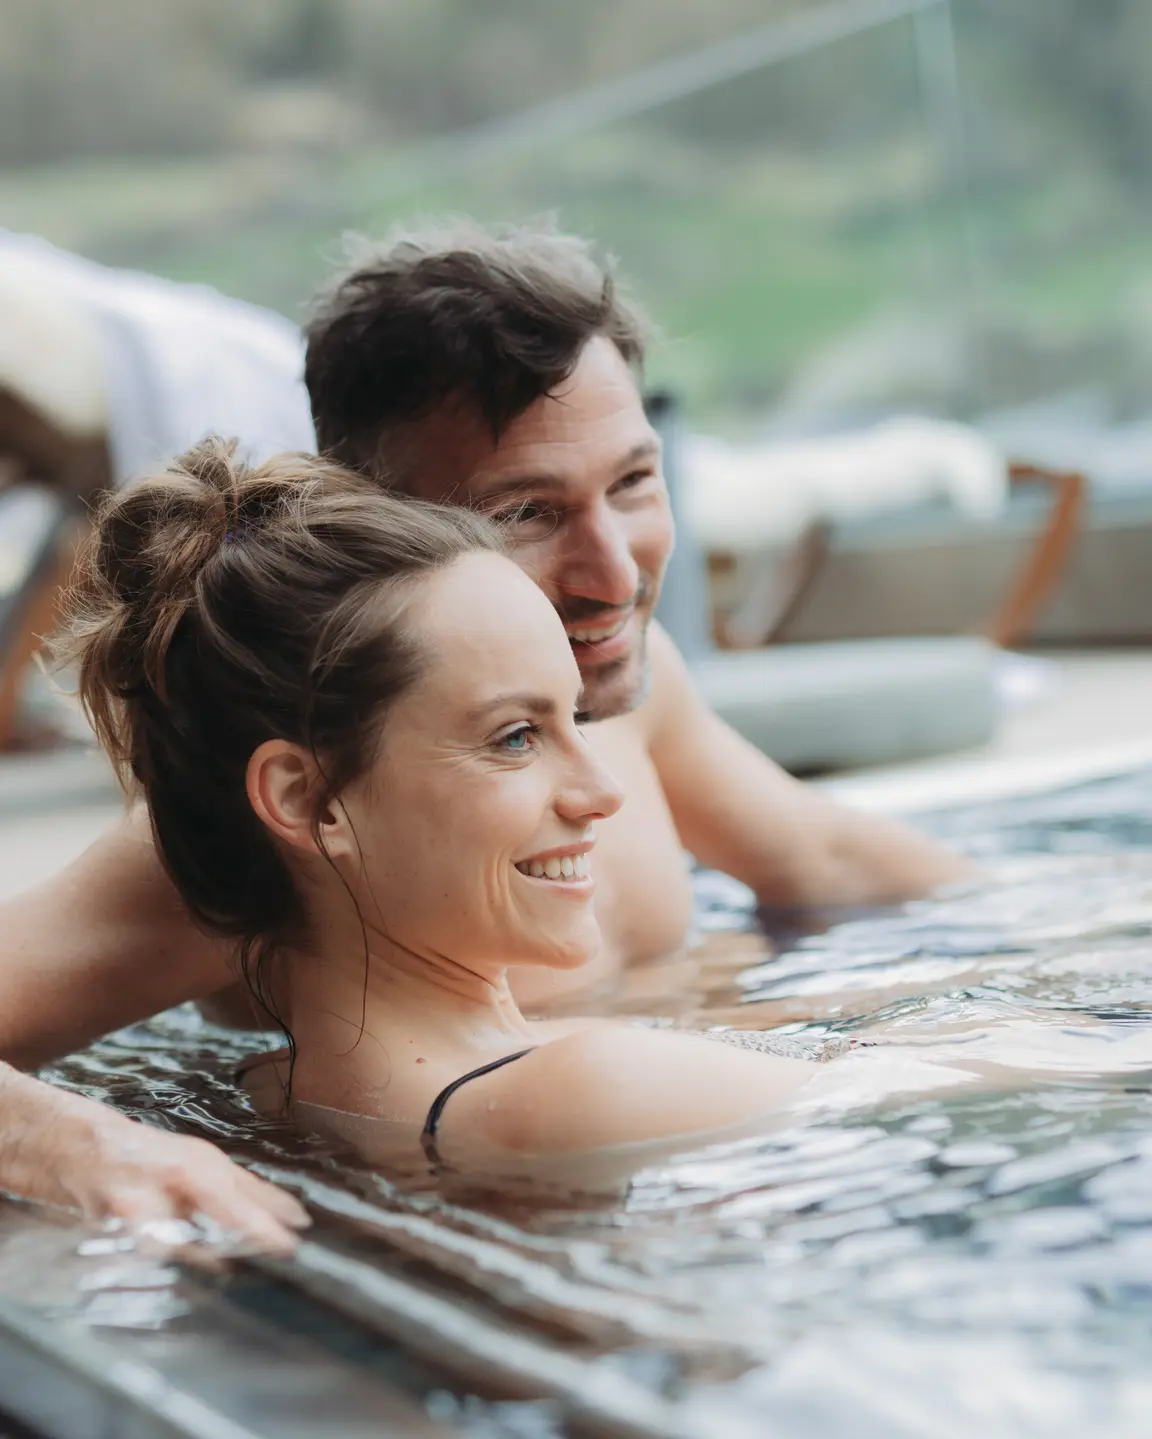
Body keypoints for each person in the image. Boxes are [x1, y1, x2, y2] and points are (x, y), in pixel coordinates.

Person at [0, 220, 968, 1224]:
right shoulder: (264, 841)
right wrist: (74, 1142)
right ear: (387, 531)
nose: (617, 576)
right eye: (528, 515)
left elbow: (832, 863)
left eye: (633, 481)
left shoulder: (624, 686)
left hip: (691, 1150)